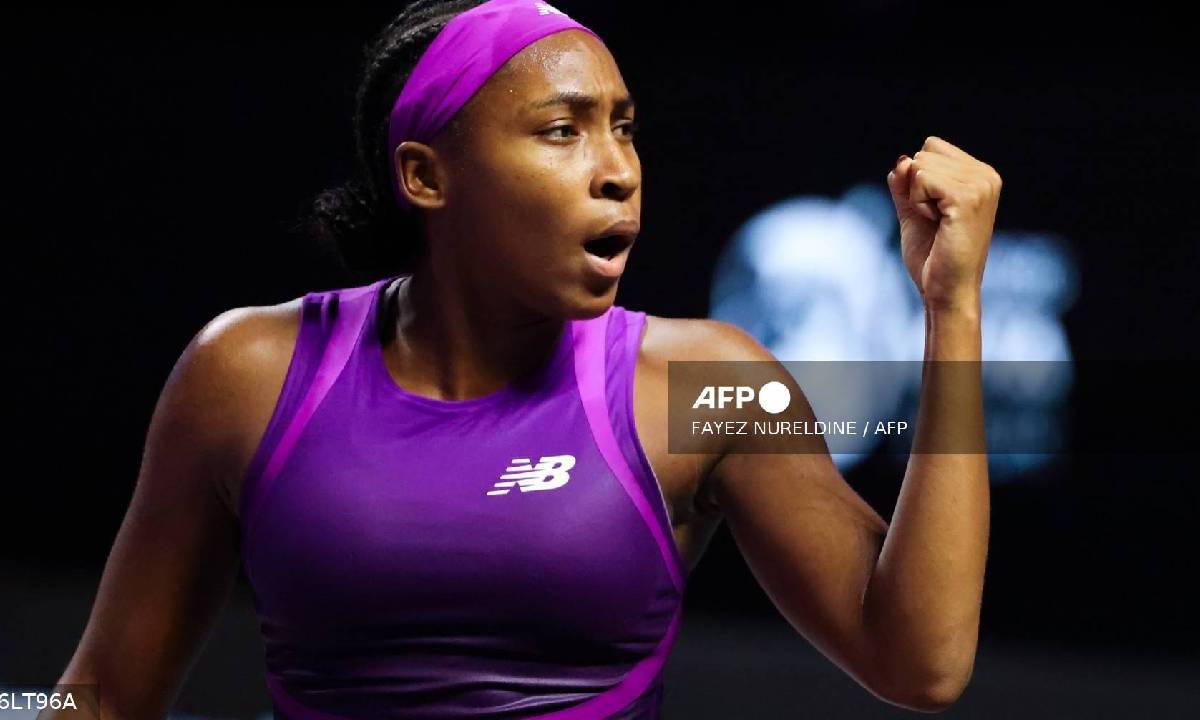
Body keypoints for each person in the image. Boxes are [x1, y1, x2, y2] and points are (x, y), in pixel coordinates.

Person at [51, 0, 999, 717]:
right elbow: (96, 696)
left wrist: (951, 309)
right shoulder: (245, 372)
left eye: (622, 125)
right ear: (426, 176)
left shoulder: (699, 385)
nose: (617, 167)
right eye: (562, 130)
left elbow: (921, 660)